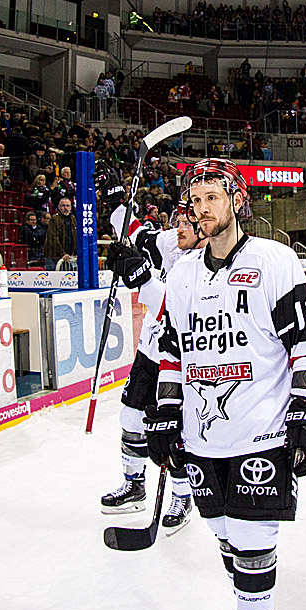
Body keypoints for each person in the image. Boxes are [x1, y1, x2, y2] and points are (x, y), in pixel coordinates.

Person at [147, 158, 306, 610]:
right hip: (202, 436)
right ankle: (252, 605)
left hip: (262, 431)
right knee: (225, 534)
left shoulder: (274, 261)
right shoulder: (182, 274)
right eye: (196, 200)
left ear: (236, 202)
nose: (202, 208)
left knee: (253, 537)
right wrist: (165, 414)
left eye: (213, 197)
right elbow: (171, 352)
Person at [98, 160, 199, 533]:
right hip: (150, 350)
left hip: (180, 358)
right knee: (130, 417)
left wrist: (142, 277)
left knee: (173, 431)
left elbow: (176, 308)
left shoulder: (206, 263)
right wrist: (116, 203)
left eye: (186, 224)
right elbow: (135, 232)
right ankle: (134, 484)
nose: (178, 228)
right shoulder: (174, 241)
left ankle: (182, 496)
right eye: (178, 221)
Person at [43, 196, 76, 270]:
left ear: (71, 207)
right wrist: (62, 254)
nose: (65, 208)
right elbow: (53, 238)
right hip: (54, 256)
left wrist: (75, 253)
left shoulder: (73, 218)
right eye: (63, 206)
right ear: (59, 207)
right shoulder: (54, 219)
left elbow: (75, 236)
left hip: (69, 256)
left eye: (67, 206)